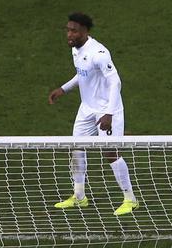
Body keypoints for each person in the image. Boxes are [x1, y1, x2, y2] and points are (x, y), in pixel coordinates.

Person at [47, 12, 139, 216]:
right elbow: (83, 73)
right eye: (68, 30)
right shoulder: (76, 50)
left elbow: (115, 81)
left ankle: (130, 199)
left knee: (110, 153)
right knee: (76, 148)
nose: (69, 35)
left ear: (85, 32)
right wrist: (64, 88)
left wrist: (108, 113)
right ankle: (79, 197)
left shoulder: (99, 53)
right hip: (87, 108)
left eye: (74, 31)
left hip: (107, 109)